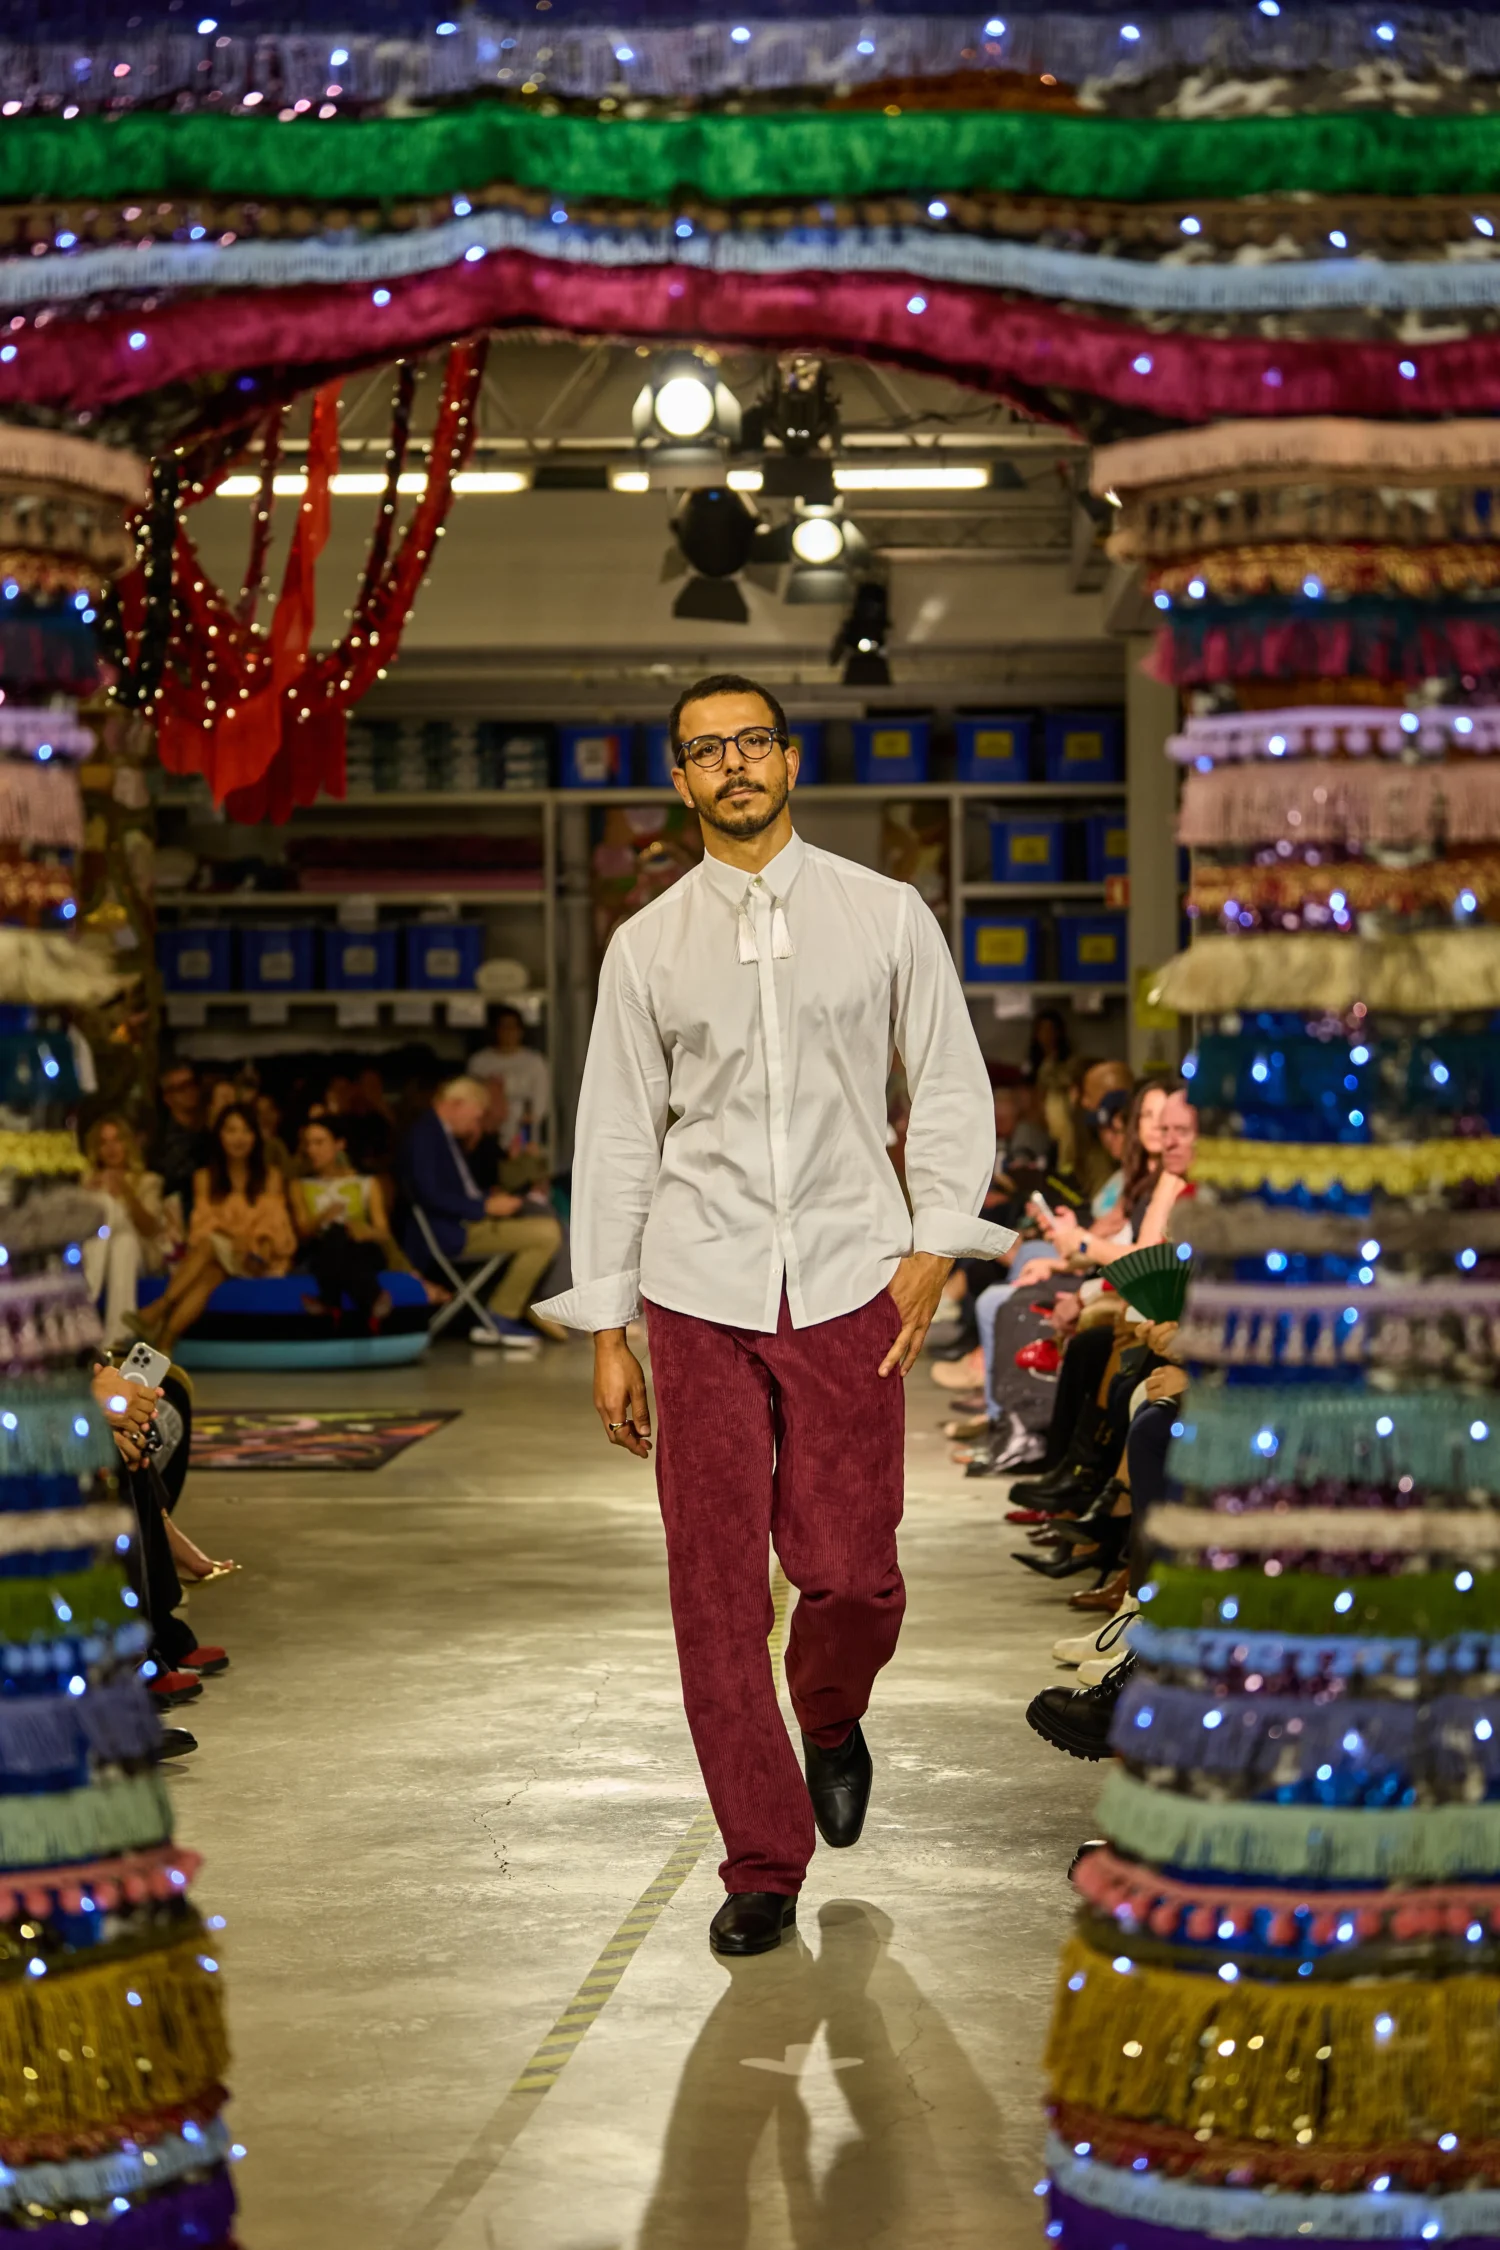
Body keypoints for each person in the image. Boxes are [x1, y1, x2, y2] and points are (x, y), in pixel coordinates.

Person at [536, 672, 1013, 1960]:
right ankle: (763, 1860)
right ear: (680, 780)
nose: (734, 764)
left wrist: (934, 1246)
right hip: (697, 1288)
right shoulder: (647, 945)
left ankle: (833, 1714)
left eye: (754, 741)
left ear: (790, 761)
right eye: (707, 750)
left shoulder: (884, 912)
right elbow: (618, 1135)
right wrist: (608, 1329)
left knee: (851, 1573)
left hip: (856, 1277)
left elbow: (950, 1085)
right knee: (713, 1590)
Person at [398, 1076, 563, 1349]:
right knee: (546, 1233)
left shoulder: (438, 1134)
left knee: (542, 1220)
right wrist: (482, 1207)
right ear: (456, 1104)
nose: (475, 1123)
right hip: (452, 1231)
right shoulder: (426, 1136)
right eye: (474, 1116)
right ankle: (503, 1312)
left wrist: (488, 1200)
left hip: (462, 1222)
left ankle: (515, 1309)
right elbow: (429, 1194)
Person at [132, 1101, 296, 1352]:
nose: (238, 1138)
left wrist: (250, 1243)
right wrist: (233, 1237)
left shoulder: (270, 1176)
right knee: (209, 1276)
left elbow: (274, 1223)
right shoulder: (205, 1177)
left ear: (255, 1136)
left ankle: (159, 1308)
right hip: (220, 1257)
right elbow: (202, 1225)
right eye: (231, 1130)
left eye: (245, 1131)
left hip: (257, 1257)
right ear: (219, 1135)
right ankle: (165, 1344)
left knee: (209, 1247)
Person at [80, 1114, 176, 1343]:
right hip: (104, 1253)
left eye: (117, 1140)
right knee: (123, 1244)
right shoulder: (87, 1181)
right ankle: (117, 1341)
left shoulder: (149, 1181)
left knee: (115, 1220)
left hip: (142, 1257)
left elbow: (150, 1230)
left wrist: (126, 1192)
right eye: (104, 1143)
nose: (111, 1148)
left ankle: (88, 1292)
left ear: (128, 1144)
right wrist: (87, 1197)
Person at [469, 1005, 551, 1158]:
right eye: (503, 1027)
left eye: (512, 1027)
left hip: (523, 1139)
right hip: (488, 1138)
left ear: (520, 1031)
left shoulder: (535, 1062)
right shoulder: (479, 1061)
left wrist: (524, 1133)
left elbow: (540, 1105)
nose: (508, 1032)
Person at [148, 1061, 207, 1210]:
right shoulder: (162, 1142)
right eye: (181, 1088)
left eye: (191, 1084)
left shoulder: (208, 1129)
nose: (189, 1091)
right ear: (167, 1098)